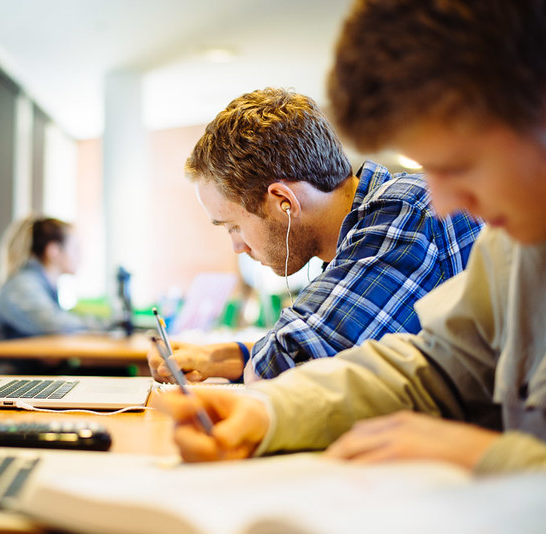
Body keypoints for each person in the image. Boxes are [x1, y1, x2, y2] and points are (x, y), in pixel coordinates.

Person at [156, 0, 546, 474]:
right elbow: (437, 364)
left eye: (459, 165)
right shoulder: (518, 245)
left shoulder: (410, 208)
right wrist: (270, 412)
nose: (442, 203)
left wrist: (490, 458)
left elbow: (299, 354)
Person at [148, 87, 482, 384]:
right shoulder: (357, 237)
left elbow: (298, 363)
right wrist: (221, 358)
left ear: (284, 202)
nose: (238, 246)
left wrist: (250, 360)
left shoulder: (403, 210)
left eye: (233, 226)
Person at [0, 215, 96, 341]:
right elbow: (53, 324)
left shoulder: (42, 285)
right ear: (54, 251)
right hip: (4, 361)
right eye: (75, 248)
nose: (81, 256)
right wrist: (104, 325)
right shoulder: (22, 285)